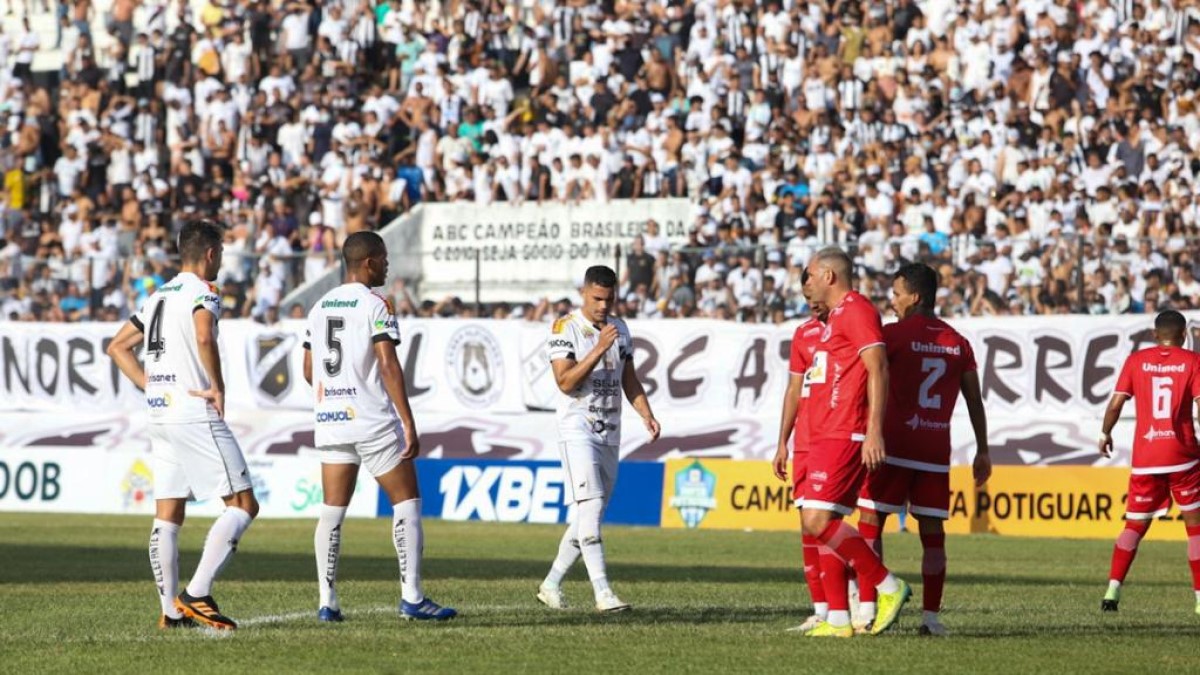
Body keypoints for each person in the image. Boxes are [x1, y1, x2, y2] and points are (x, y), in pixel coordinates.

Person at [106, 219, 259, 631]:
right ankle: (196, 593)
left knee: (168, 513)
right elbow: (205, 337)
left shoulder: (158, 296)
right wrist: (217, 387)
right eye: (221, 255)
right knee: (243, 505)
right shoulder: (203, 291)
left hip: (159, 412)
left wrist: (149, 385)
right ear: (210, 254)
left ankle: (171, 613)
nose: (222, 263)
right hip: (193, 409)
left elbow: (117, 346)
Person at [302, 231, 456, 622]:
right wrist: (407, 419)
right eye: (384, 259)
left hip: (330, 420)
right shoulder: (375, 303)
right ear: (368, 262)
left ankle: (326, 602)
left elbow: (308, 370)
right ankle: (412, 596)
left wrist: (335, 394)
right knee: (406, 502)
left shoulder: (318, 306)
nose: (387, 265)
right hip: (370, 420)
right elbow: (387, 363)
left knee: (331, 512)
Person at [855, 263, 991, 636]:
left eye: (896, 294)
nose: (892, 301)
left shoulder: (892, 335)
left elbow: (868, 377)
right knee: (933, 534)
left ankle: (868, 609)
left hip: (890, 446)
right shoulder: (957, 341)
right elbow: (974, 399)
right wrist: (983, 449)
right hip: (933, 450)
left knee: (870, 523)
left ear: (915, 297)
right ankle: (931, 618)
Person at [798, 247, 910, 638]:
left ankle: (888, 586)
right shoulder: (835, 318)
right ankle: (839, 620)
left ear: (829, 275)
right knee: (826, 521)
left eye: (809, 274)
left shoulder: (858, 309)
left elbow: (877, 367)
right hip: (828, 431)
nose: (805, 282)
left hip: (847, 431)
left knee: (817, 520)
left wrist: (874, 430)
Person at [537, 265, 661, 613]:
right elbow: (565, 382)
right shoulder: (565, 328)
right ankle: (603, 593)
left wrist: (646, 413)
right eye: (597, 298)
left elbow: (630, 379)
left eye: (609, 299)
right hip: (577, 428)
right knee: (589, 507)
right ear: (584, 293)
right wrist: (596, 349)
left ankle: (550, 584)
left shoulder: (620, 329)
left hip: (610, 431)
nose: (603, 306)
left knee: (588, 518)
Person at [1098, 310, 1200, 615]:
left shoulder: (1136, 361)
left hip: (1146, 457)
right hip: (1183, 456)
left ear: (1155, 335)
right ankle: (1199, 599)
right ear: (1184, 335)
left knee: (1134, 526)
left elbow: (1116, 403)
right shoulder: (1193, 361)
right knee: (1195, 529)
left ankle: (1112, 592)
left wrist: (1105, 433)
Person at [772, 268, 830, 633]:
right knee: (807, 525)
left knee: (829, 523)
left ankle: (857, 596)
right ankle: (821, 608)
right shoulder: (803, 334)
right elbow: (794, 390)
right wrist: (783, 441)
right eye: (805, 297)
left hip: (838, 438)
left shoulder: (850, 326)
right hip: (806, 441)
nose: (810, 302)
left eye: (814, 294)